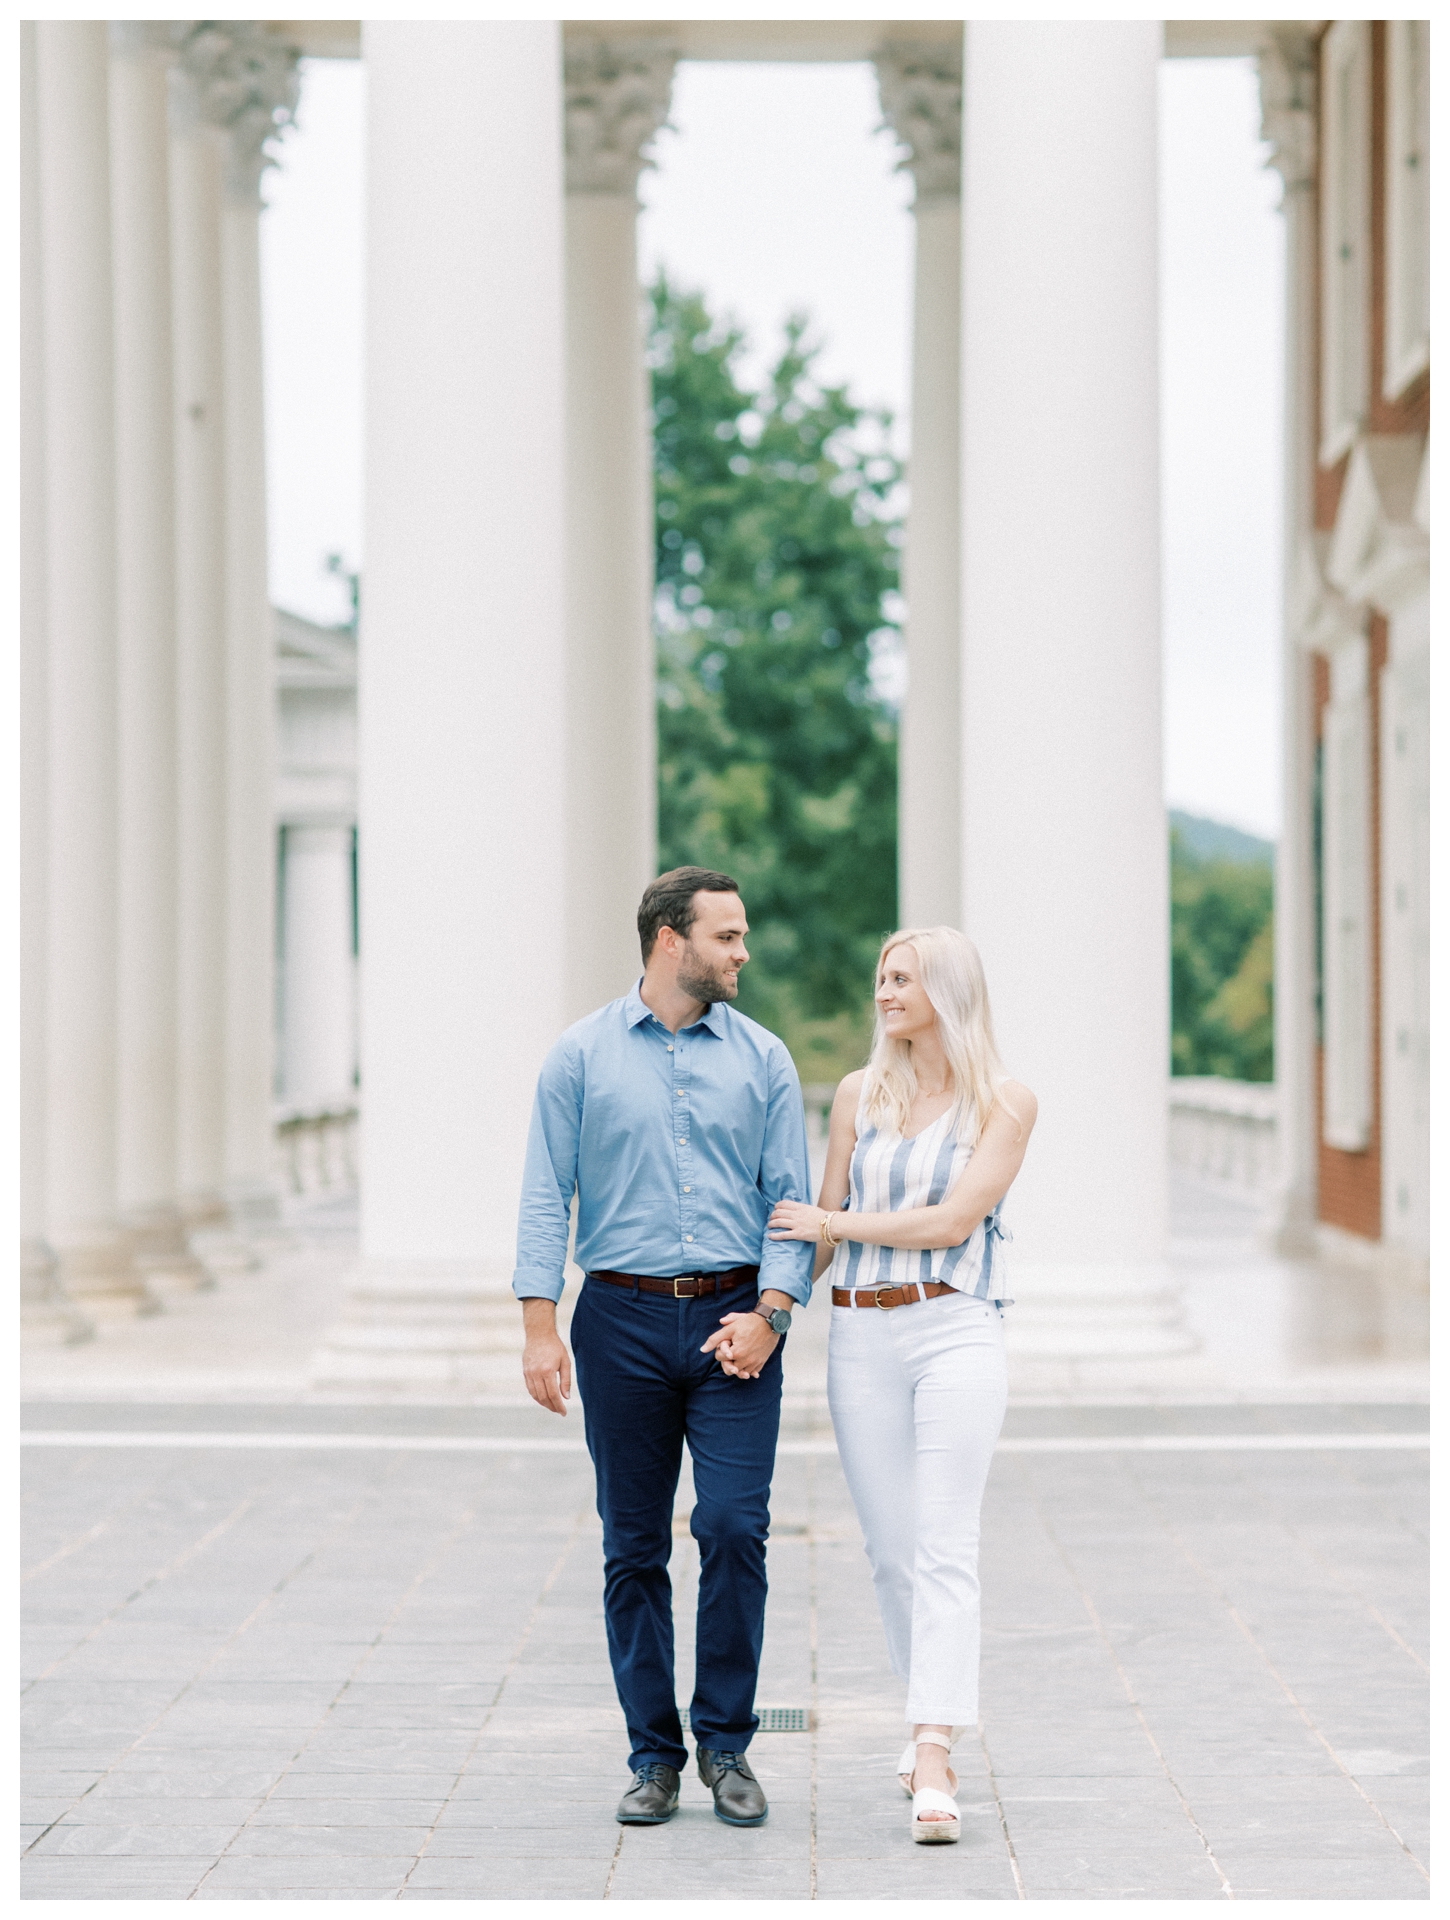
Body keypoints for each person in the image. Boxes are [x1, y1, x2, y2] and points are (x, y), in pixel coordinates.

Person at [514, 867, 815, 1830]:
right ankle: (654, 1757)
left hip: (736, 1317)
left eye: (743, 934)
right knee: (632, 1546)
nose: (744, 952)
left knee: (733, 1526)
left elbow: (792, 1204)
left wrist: (771, 1314)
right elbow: (542, 1192)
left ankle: (727, 1743)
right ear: (667, 940)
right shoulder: (579, 1057)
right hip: (621, 1323)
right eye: (727, 936)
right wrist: (537, 1324)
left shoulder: (765, 1059)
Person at [768, 926, 1036, 1845]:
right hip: (860, 1332)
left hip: (954, 1324)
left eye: (903, 979)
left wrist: (832, 1215)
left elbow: (957, 1217)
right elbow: (819, 1232)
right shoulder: (856, 1095)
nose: (884, 993)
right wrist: (768, 1314)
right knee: (891, 1551)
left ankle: (933, 1748)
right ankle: (929, 1705)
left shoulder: (1005, 1102)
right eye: (880, 976)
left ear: (948, 991)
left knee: (944, 1539)